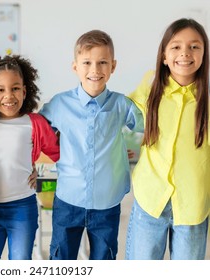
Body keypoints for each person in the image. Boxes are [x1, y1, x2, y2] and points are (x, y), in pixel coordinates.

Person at [39, 30, 144, 260]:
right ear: (75, 66)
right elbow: (36, 131)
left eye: (102, 62)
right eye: (87, 62)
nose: (95, 70)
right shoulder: (59, 104)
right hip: (68, 200)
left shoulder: (121, 104)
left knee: (103, 261)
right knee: (61, 261)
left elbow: (149, 126)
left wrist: (117, 152)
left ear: (113, 66)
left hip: (107, 203)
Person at [125, 18, 210, 260]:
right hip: (150, 200)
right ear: (164, 55)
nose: (185, 53)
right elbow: (121, 114)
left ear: (204, 55)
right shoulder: (150, 85)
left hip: (192, 206)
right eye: (176, 46)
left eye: (195, 46)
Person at [0, 54, 60, 260]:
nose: (9, 96)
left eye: (15, 88)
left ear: (24, 91)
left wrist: (42, 172)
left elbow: (60, 154)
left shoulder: (34, 122)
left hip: (23, 209)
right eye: (0, 90)